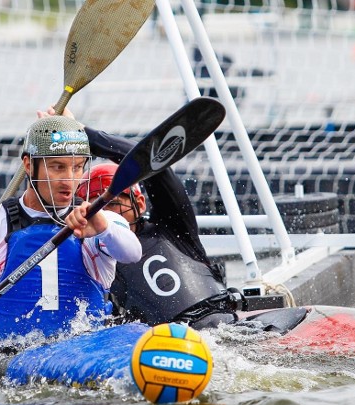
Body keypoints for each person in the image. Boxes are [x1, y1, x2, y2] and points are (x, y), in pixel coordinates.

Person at [0, 116, 142, 361]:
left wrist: (102, 227)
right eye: (58, 167)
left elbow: (132, 252)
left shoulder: (100, 222)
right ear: (29, 165)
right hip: (6, 362)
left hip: (85, 355)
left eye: (77, 167)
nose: (69, 179)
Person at [34, 108, 241, 329]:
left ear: (140, 204)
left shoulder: (172, 226)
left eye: (111, 203)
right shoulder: (92, 254)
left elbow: (147, 159)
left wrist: (82, 135)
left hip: (223, 327)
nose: (103, 213)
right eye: (95, 207)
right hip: (158, 347)